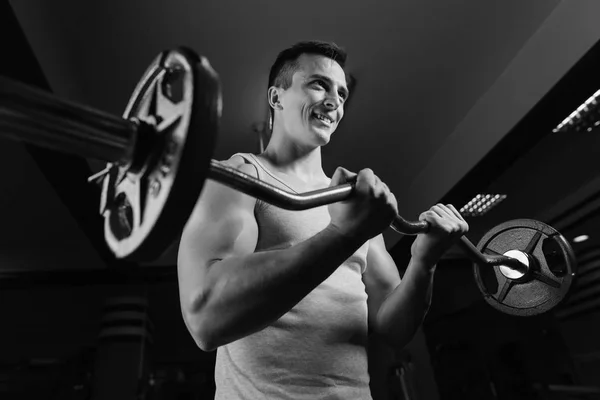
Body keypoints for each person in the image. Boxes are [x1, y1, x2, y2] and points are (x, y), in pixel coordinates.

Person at [177, 40, 469, 400]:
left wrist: (424, 262)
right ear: (276, 97)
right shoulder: (239, 176)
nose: (335, 102)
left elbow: (393, 327)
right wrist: (343, 234)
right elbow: (206, 318)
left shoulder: (354, 203)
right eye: (318, 84)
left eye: (342, 94)